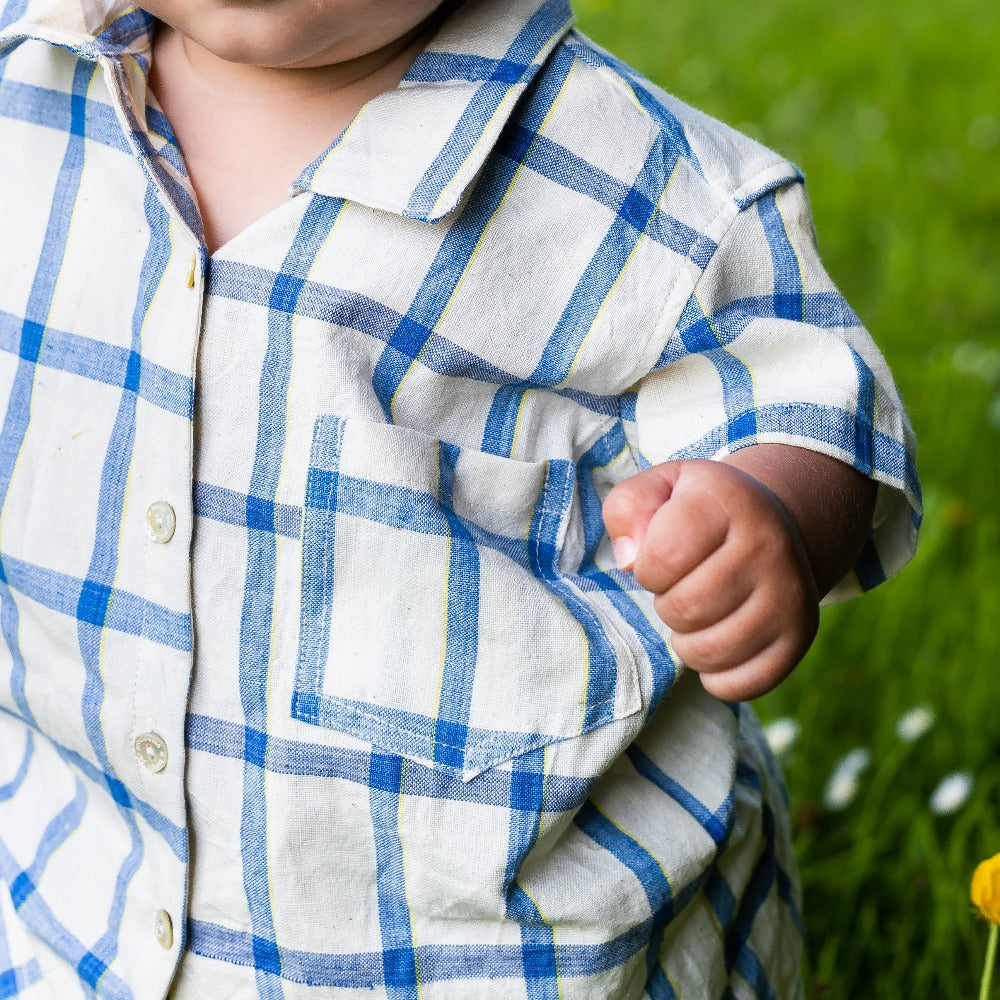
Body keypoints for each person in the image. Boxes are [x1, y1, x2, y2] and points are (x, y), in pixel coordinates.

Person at [0, 0, 920, 995]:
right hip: (72, 905)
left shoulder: (638, 186)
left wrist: (769, 510)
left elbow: (807, 400)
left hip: (491, 952)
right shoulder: (28, 89)